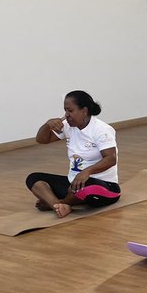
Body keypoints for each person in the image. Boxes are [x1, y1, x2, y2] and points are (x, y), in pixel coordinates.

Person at [26, 90, 120, 218]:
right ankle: (59, 206)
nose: (66, 115)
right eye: (65, 111)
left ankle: (59, 204)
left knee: (86, 188)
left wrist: (86, 172)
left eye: (70, 111)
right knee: (34, 178)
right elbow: (42, 140)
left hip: (104, 186)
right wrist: (47, 125)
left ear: (84, 111)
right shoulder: (68, 126)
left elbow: (111, 159)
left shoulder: (101, 129)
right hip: (73, 183)